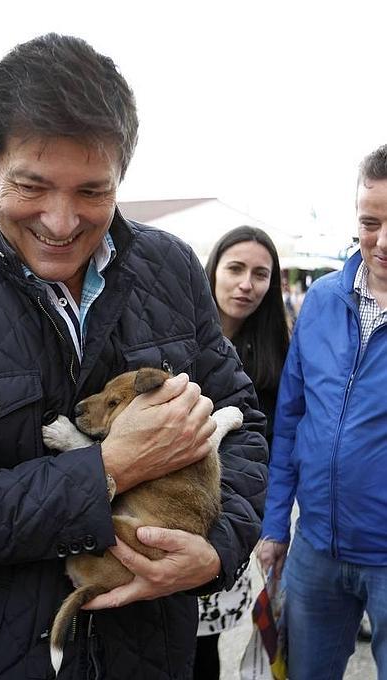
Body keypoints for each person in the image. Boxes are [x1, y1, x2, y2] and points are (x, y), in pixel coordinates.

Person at [0, 34, 268, 680]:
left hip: (149, 657)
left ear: (122, 172)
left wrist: (215, 548)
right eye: (32, 186)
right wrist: (109, 469)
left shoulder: (172, 269)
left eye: (93, 192)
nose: (62, 221)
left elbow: (243, 421)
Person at [257, 143, 387, 679]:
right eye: (371, 221)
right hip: (315, 547)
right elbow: (290, 419)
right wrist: (273, 526)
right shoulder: (322, 301)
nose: (383, 241)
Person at [194, 226, 289, 678]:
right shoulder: (178, 337)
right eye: (235, 268)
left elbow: (273, 445)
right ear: (213, 270)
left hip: (228, 521)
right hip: (170, 508)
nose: (246, 284)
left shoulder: (275, 352)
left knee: (204, 647)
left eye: (260, 274)